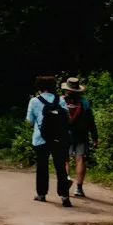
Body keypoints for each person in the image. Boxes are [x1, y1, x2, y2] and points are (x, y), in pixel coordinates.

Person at [26, 76, 72, 206]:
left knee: (42, 167)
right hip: (58, 139)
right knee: (60, 167)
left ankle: (41, 194)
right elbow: (67, 119)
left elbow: (29, 121)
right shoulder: (61, 100)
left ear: (39, 87)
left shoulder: (34, 101)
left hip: (40, 138)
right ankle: (64, 196)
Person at [63, 77, 98, 199]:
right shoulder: (85, 103)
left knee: (64, 159)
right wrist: (95, 136)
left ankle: (66, 180)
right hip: (81, 134)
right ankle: (78, 188)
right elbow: (90, 121)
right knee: (80, 159)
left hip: (64, 134)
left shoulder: (61, 102)